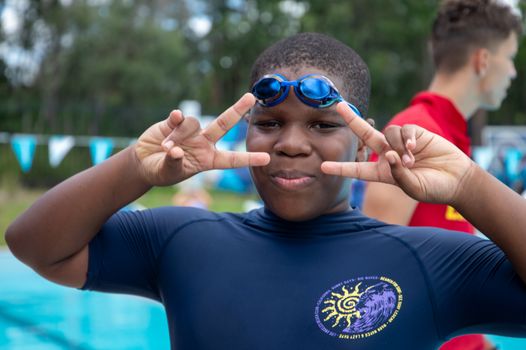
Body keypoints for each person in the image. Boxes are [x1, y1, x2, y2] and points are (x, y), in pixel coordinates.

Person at [5, 33, 526, 349]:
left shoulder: (428, 262)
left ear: (362, 139)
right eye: (270, 122)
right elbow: (34, 243)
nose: (292, 144)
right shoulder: (182, 240)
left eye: (322, 126)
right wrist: (136, 169)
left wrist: (469, 183)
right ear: (247, 128)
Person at [363, 3, 521, 347]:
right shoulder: (416, 133)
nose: (513, 72)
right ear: (483, 61)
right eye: (510, 58)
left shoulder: (444, 136)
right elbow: (370, 273)